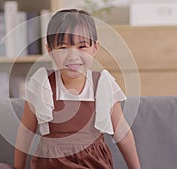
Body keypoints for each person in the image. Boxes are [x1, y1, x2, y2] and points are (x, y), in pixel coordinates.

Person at [14, 9, 141, 169]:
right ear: (50, 50)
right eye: (63, 47)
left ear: (95, 48)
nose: (73, 56)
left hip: (93, 164)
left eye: (82, 47)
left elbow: (123, 133)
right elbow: (26, 132)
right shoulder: (42, 83)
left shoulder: (102, 83)